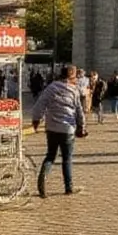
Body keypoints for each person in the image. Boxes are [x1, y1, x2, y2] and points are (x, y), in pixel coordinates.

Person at [31, 65, 86, 197]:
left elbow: (40, 104)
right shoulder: (74, 90)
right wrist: (82, 126)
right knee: (67, 158)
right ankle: (68, 187)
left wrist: (36, 120)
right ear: (71, 76)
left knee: (50, 155)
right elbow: (79, 110)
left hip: (52, 127)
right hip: (67, 128)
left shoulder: (51, 88)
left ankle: (43, 180)